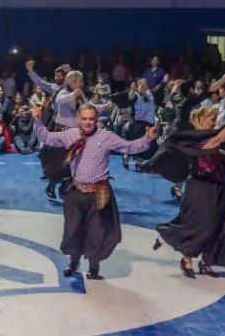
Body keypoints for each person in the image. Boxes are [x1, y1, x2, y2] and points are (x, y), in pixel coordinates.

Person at [32, 103, 156, 279]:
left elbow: (129, 147)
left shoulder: (106, 137)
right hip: (76, 191)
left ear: (96, 120)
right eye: (84, 119)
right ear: (78, 119)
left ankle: (93, 266)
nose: (88, 122)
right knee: (73, 231)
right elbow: (47, 137)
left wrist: (147, 139)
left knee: (96, 232)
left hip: (99, 193)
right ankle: (74, 262)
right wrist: (37, 120)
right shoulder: (70, 135)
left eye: (91, 119)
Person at [153, 101, 225, 277]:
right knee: (200, 223)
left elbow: (223, 137)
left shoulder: (211, 135)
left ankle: (207, 261)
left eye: (215, 119)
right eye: (211, 119)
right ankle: (185, 257)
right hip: (199, 187)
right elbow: (218, 139)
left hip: (217, 186)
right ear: (201, 120)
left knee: (219, 224)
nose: (214, 122)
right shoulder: (194, 139)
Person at [27, 61, 84, 199]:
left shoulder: (76, 90)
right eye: (55, 75)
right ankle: (53, 179)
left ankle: (59, 183)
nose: (56, 78)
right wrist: (30, 71)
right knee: (52, 153)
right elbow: (40, 82)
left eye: (59, 76)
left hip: (73, 129)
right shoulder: (56, 89)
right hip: (56, 123)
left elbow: (75, 81)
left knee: (71, 159)